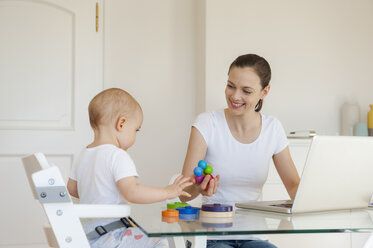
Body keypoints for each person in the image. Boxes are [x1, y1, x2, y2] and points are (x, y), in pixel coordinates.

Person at [180, 54, 300, 248]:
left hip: (255, 236)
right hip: (212, 237)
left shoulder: (273, 128)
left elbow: (294, 186)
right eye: (230, 86)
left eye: (246, 90)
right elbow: (183, 193)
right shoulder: (207, 123)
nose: (235, 96)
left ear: (264, 92)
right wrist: (198, 187)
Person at [67, 88, 193, 248]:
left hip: (87, 236)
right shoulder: (117, 155)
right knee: (164, 243)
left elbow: (71, 189)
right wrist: (168, 192)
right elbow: (132, 192)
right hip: (113, 236)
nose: (135, 135)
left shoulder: (83, 154)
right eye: (136, 130)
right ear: (121, 123)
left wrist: (98, 191)